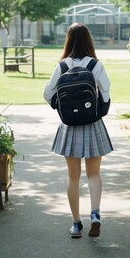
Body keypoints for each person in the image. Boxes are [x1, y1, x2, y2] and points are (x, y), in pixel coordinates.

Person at [43, 23, 113, 239]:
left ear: (69, 40)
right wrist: (99, 108)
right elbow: (106, 92)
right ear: (88, 40)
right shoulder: (95, 65)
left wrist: (61, 106)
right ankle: (95, 215)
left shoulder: (62, 66)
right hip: (93, 124)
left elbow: (47, 93)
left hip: (69, 127)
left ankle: (76, 224)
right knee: (94, 174)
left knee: (73, 178)